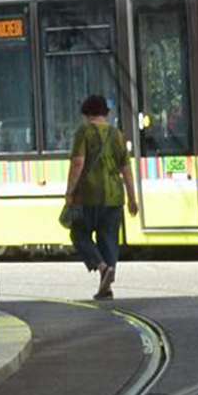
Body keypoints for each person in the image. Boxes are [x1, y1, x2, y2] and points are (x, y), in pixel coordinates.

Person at [65, 95, 138, 300]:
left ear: (86, 114)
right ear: (106, 113)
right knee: (109, 240)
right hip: (114, 197)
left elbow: (77, 163)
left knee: (78, 234)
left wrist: (70, 191)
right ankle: (106, 285)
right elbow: (126, 169)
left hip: (87, 196)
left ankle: (101, 266)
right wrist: (132, 198)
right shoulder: (117, 135)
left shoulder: (84, 132)